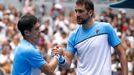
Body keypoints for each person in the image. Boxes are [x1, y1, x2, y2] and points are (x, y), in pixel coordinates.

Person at [52, 0, 128, 75]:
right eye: (76, 11)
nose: (77, 14)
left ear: (90, 12)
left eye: (81, 11)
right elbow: (67, 64)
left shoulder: (106, 28)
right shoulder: (73, 36)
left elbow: (121, 52)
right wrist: (61, 57)